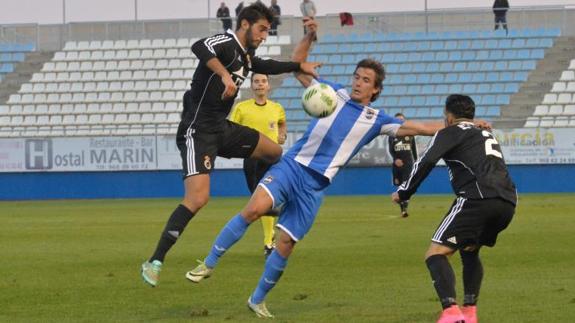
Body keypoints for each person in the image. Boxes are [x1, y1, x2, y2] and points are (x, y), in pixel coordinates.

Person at [184, 20, 489, 318]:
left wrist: (469, 124)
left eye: (365, 80)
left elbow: (423, 128)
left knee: (286, 244)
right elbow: (298, 63)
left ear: (375, 90)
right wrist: (309, 35)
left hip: (315, 186)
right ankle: (208, 263)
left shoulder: (377, 119)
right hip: (292, 166)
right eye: (357, 76)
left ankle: (257, 300)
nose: (358, 82)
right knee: (254, 209)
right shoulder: (331, 93)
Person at [140, 2, 321, 288]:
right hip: (197, 131)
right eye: (262, 29)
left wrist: (300, 64)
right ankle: (155, 260)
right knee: (198, 199)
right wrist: (224, 74)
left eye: (267, 31)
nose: (264, 35)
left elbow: (268, 66)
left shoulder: (247, 56)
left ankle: (264, 199)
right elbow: (200, 46)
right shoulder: (226, 42)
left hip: (222, 129)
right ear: (246, 24)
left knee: (274, 151)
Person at [392, 94, 517, 323]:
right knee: (469, 249)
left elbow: (426, 161)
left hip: (476, 198)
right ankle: (469, 312)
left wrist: (404, 192)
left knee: (436, 253)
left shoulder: (448, 131)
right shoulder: (485, 132)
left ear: (448, 116)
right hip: (508, 201)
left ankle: (451, 313)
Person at [229, 73, 287, 257]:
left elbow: (282, 123)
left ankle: (269, 243)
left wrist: (282, 135)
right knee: (258, 201)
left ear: (268, 86)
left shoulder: (277, 108)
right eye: (256, 81)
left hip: (271, 158)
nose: (260, 84)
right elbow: (230, 129)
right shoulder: (241, 108)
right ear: (252, 85)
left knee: (266, 199)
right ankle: (279, 218)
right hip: (251, 158)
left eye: (263, 81)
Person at [387, 112, 417, 217]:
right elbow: (391, 150)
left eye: (401, 120)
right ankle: (401, 205)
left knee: (405, 186)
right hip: (397, 165)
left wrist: (416, 162)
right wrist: (395, 159)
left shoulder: (410, 134)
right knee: (399, 185)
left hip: (408, 164)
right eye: (397, 120)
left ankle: (404, 210)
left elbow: (414, 150)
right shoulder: (392, 135)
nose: (400, 122)